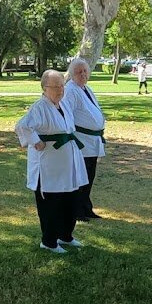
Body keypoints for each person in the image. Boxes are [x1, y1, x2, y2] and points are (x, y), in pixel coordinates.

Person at [15, 69, 88, 253]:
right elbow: (22, 126)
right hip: (49, 165)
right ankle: (48, 241)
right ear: (44, 88)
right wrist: (36, 141)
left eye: (62, 86)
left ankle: (65, 235)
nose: (60, 90)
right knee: (52, 203)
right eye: (55, 87)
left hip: (67, 162)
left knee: (70, 199)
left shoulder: (63, 105)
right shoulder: (39, 107)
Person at [63, 58, 106, 221]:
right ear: (72, 74)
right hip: (82, 141)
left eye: (85, 71)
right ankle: (78, 211)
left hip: (92, 141)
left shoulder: (86, 89)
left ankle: (86, 208)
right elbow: (67, 114)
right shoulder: (71, 90)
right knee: (82, 177)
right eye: (78, 72)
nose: (82, 74)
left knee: (89, 176)